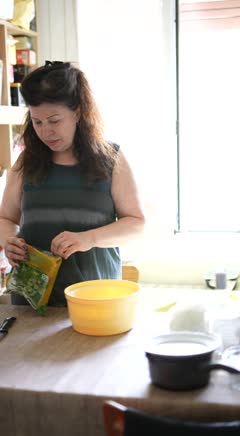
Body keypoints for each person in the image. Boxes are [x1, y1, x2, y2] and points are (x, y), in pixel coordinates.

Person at [0, 61, 145, 306]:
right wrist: (8, 241)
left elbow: (136, 224)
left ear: (77, 113)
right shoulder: (27, 161)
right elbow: (5, 218)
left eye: (54, 120)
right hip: (30, 303)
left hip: (94, 301)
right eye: (37, 122)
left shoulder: (110, 158)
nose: (46, 132)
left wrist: (88, 239)